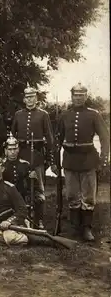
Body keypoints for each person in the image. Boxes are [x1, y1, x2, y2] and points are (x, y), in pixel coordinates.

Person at [56, 82, 109, 241]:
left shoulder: (94, 114)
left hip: (88, 160)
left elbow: (105, 138)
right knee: (72, 195)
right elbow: (57, 139)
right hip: (70, 160)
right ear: (71, 97)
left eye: (81, 95)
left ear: (86, 97)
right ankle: (74, 228)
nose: (78, 98)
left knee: (88, 197)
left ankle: (86, 228)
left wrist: (103, 159)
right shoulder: (64, 115)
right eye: (75, 95)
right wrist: (54, 161)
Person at [11, 83, 56, 213]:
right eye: (27, 97)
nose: (30, 99)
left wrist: (51, 159)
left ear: (36, 99)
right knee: (21, 185)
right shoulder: (18, 115)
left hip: (37, 155)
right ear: (24, 99)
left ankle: (39, 217)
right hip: (21, 154)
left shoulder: (43, 115)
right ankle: (22, 215)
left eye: (32, 97)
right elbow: (12, 135)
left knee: (38, 186)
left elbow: (50, 138)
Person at [0, 152, 30, 246]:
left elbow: (22, 209)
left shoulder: (9, 187)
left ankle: (22, 237)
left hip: (13, 224)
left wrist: (9, 221)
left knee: (8, 236)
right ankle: (14, 239)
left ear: (2, 169)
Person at [2, 134, 44, 228]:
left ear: (18, 149)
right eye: (10, 149)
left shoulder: (25, 165)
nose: (12, 152)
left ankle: (38, 221)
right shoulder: (2, 166)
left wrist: (32, 183)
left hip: (23, 195)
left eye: (15, 149)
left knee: (39, 197)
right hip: (7, 197)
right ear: (5, 151)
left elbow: (34, 185)